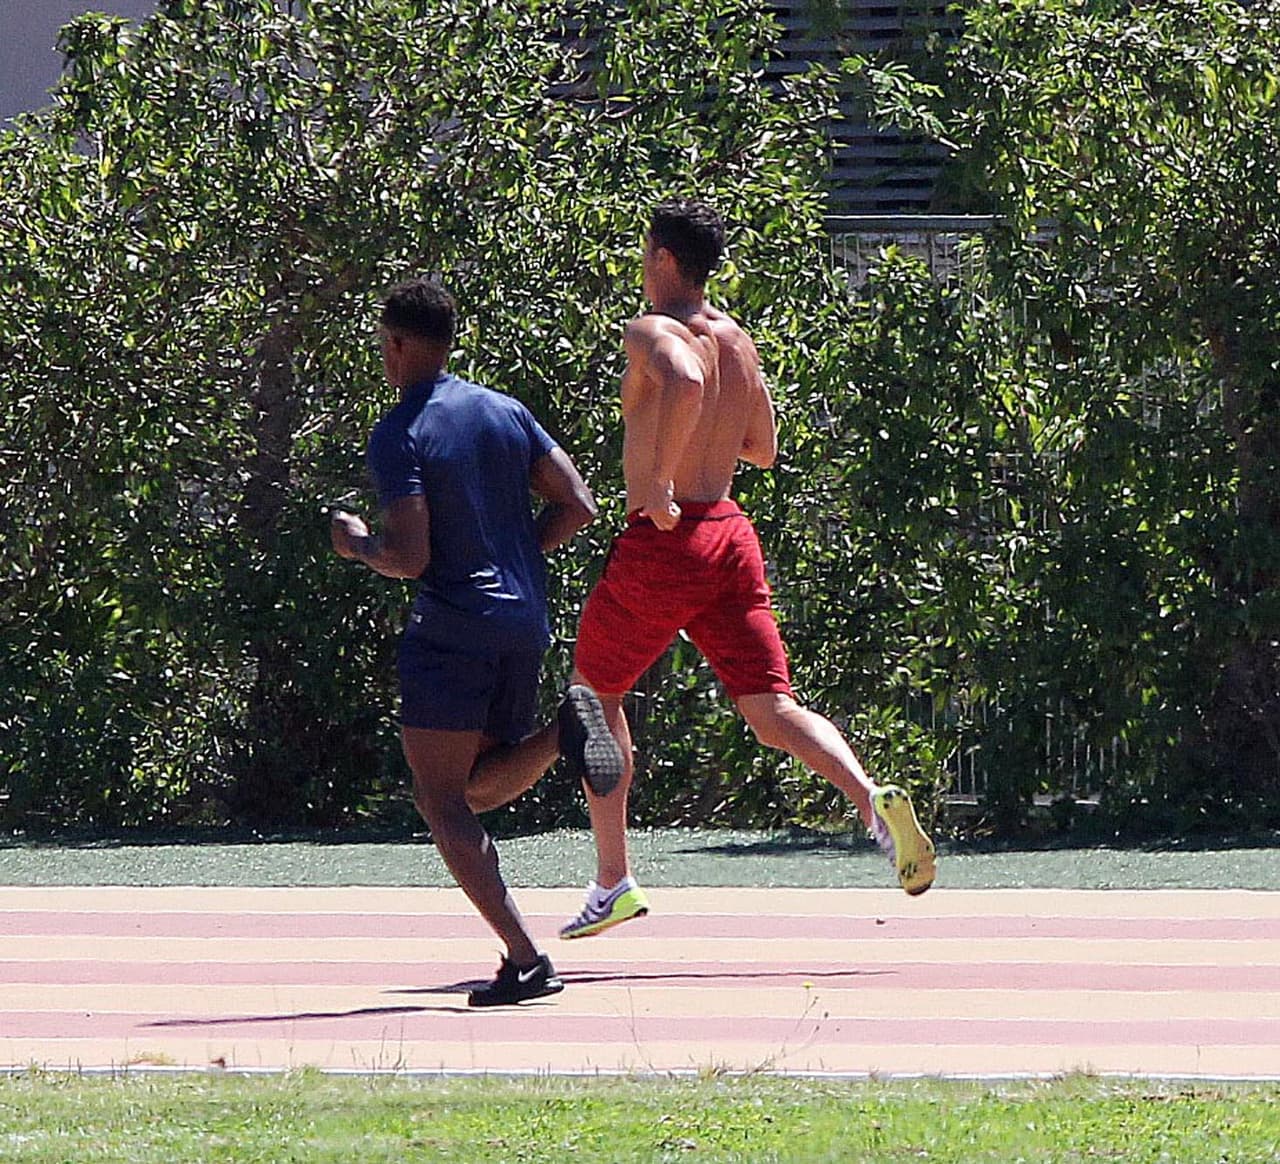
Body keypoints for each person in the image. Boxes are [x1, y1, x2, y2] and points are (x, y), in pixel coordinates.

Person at [560, 199, 937, 940]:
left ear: (665, 259)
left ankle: (614, 880)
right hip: (730, 536)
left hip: (666, 539)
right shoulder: (740, 341)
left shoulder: (654, 330)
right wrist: (697, 452)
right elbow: (761, 446)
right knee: (772, 709)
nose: (641, 265)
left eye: (644, 252)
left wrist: (661, 477)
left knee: (590, 697)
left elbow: (683, 380)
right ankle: (870, 802)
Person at [330, 277, 619, 1005]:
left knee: (441, 803)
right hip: (524, 618)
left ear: (395, 344)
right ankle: (566, 727)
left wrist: (358, 544)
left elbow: (412, 556)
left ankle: (525, 961)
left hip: (453, 627)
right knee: (475, 784)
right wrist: (516, 556)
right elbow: (579, 504)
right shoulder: (504, 410)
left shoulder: (400, 431)